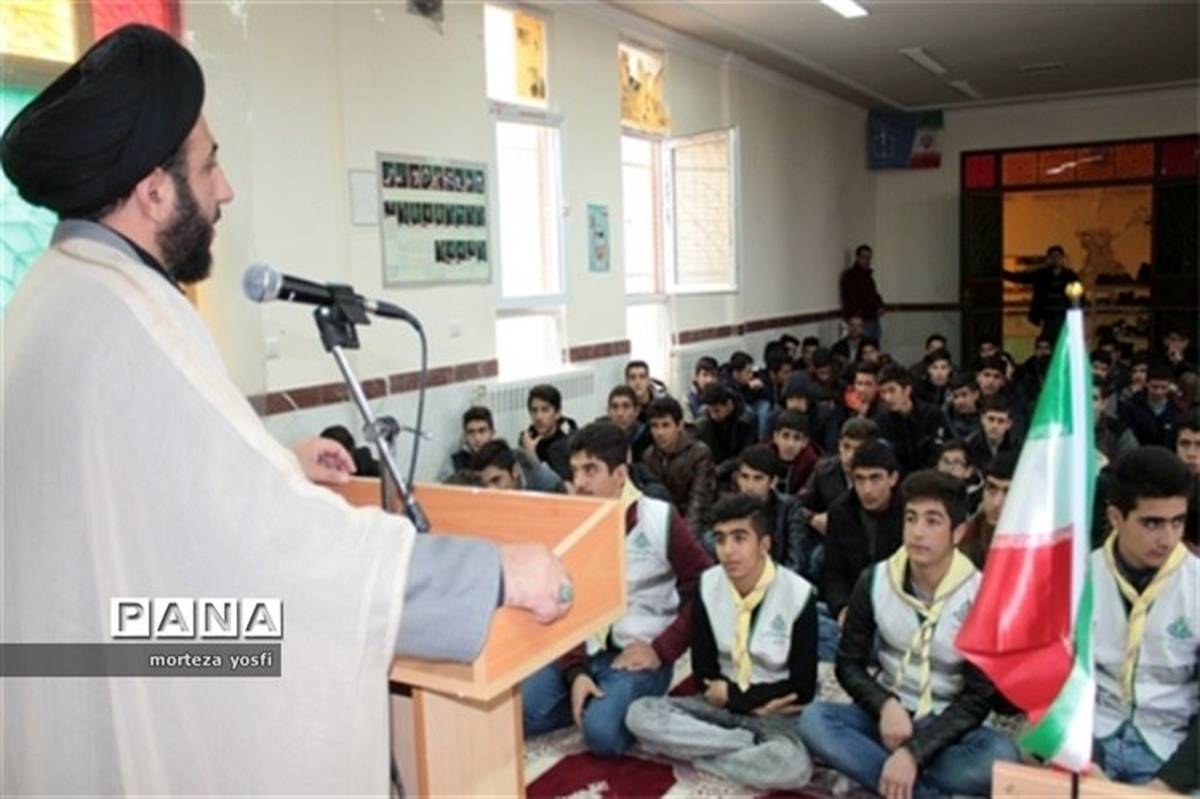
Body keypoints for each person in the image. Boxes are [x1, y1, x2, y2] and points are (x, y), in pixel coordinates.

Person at [0, 25, 568, 795]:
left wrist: (273, 466)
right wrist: (489, 575)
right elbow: (282, 559)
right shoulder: (132, 318)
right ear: (154, 190)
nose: (225, 188)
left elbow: (140, 499)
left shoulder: (51, 295)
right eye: (209, 163)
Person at [798, 470, 1020, 798]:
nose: (917, 532)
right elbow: (848, 664)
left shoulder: (981, 594)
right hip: (888, 717)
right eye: (911, 518)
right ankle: (923, 790)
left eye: (932, 521)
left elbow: (977, 698)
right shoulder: (875, 580)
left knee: (1001, 756)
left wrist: (914, 753)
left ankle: (890, 774)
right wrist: (885, 704)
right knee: (814, 720)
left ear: (958, 533)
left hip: (946, 723)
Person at [522, 423, 712, 757]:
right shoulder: (574, 521)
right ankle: (593, 697)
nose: (579, 482)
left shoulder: (658, 518)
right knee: (522, 711)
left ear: (620, 474)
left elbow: (707, 587)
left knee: (602, 735)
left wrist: (662, 649)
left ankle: (606, 707)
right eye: (576, 470)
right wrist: (575, 671)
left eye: (590, 470)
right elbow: (565, 600)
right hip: (585, 647)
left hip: (639, 651)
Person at [626, 494, 818, 792]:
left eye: (739, 538)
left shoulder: (799, 594)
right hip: (717, 708)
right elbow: (703, 671)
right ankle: (742, 746)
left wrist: (737, 697)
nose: (728, 551)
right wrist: (731, 700)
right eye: (720, 539)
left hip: (772, 715)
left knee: (793, 768)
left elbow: (802, 687)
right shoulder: (707, 584)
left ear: (764, 545)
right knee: (640, 714)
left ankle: (700, 753)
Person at [1091, 447, 1198, 792]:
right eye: (1152, 523)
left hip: (1170, 747)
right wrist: (1082, 761)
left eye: (1177, 522)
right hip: (1093, 737)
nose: (1167, 539)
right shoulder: (1079, 576)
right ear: (1116, 517)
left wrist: (1168, 784)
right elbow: (1056, 683)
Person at [823, 441, 905, 623]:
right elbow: (833, 572)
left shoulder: (909, 512)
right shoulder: (840, 511)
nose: (867, 489)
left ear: (893, 478)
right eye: (860, 479)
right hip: (855, 607)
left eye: (875, 479)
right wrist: (842, 609)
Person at [640, 397, 716, 534]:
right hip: (662, 522)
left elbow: (699, 502)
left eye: (666, 425)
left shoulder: (699, 453)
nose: (659, 433)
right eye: (654, 426)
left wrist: (684, 536)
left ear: (679, 425)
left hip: (696, 523)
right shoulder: (649, 455)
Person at [1001, 244, 1081, 342]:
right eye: (1053, 257)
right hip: (1047, 317)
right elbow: (1022, 278)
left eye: (1057, 256)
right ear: (1049, 259)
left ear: (1062, 258)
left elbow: (1078, 295)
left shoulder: (1070, 276)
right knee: (1047, 341)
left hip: (1064, 316)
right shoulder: (1042, 274)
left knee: (1064, 341)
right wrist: (1003, 273)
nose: (1055, 259)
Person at [876, 364, 945, 474]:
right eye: (883, 392)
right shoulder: (882, 421)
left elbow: (937, 454)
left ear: (907, 390)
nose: (887, 397)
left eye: (892, 390)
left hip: (930, 477)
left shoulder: (932, 414)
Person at [958, 451, 1017, 569]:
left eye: (1009, 493)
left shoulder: (1042, 542)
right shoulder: (967, 537)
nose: (997, 503)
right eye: (991, 489)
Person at [697, 384, 759, 483]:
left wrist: (722, 468)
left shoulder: (747, 419)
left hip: (736, 467)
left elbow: (747, 453)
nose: (713, 416)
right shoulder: (705, 417)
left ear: (729, 404)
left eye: (716, 411)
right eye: (710, 411)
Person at [1119, 359, 1184, 449]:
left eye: (1164, 387)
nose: (1159, 392)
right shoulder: (1130, 406)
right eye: (1154, 387)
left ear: (1169, 386)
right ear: (1146, 384)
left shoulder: (1177, 410)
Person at [519, 383, 578, 481]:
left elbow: (559, 485)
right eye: (534, 410)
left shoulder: (565, 445)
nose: (538, 417)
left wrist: (532, 456)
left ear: (557, 413)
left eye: (545, 410)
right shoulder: (527, 439)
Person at [470, 439, 567, 494]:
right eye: (485, 485)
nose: (491, 490)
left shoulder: (547, 485)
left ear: (515, 470)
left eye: (496, 480)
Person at [840, 244, 884, 344]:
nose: (867, 260)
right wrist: (856, 319)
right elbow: (850, 299)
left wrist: (880, 305)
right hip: (862, 320)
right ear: (857, 258)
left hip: (873, 318)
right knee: (864, 347)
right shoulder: (850, 275)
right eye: (864, 257)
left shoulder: (868, 276)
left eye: (869, 258)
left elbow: (874, 295)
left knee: (874, 347)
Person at [771, 409, 821, 496]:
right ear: (775, 437)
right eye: (785, 436)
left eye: (797, 438)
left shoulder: (814, 466)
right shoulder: (761, 458)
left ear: (805, 442)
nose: (790, 444)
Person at [966, 395, 1020, 471]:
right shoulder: (969, 445)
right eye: (991, 419)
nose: (995, 425)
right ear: (982, 419)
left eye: (1001, 421)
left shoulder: (1018, 447)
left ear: (1009, 424)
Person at [440, 405, 495, 478]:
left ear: (492, 433)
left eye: (482, 431)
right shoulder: (456, 460)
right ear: (465, 436)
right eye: (471, 432)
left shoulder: (503, 459)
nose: (477, 438)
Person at [604, 385, 653, 462]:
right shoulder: (601, 438)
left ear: (637, 411)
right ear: (608, 412)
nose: (620, 413)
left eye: (626, 406)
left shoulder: (649, 438)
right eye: (615, 407)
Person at [942, 373, 982, 442]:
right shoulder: (946, 414)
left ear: (976, 394)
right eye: (955, 396)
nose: (959, 401)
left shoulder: (987, 416)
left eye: (964, 395)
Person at [686, 355, 720, 421]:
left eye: (713, 375)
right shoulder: (688, 401)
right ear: (696, 377)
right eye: (705, 375)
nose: (709, 380)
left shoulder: (722, 398)